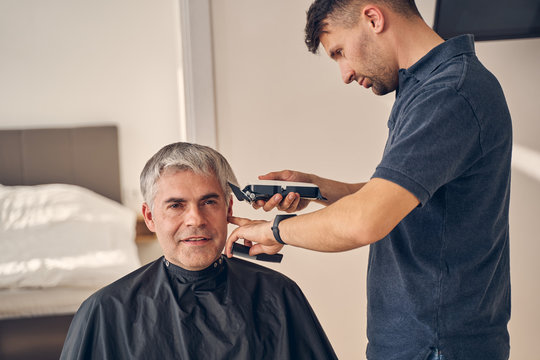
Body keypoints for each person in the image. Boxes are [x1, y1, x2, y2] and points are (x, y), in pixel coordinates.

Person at [225, 1, 512, 359]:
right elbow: (399, 198)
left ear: (373, 18)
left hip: (435, 346)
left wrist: (273, 231)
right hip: (420, 342)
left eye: (340, 52)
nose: (345, 73)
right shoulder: (426, 89)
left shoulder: (448, 94)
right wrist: (317, 188)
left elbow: (367, 220)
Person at [60, 142, 337, 360]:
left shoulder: (278, 295)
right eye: (176, 205)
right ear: (150, 217)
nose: (195, 219)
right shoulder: (106, 312)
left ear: (228, 209)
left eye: (208, 202)